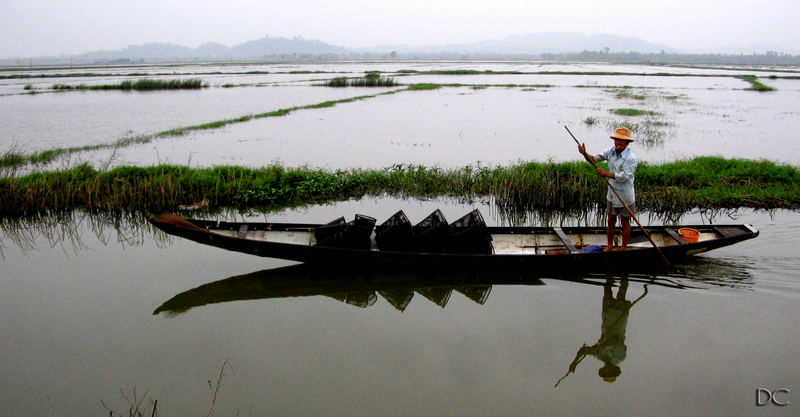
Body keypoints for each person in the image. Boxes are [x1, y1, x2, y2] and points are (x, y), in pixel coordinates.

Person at [578, 127, 638, 251]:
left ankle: (623, 247)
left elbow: (625, 176)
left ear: (627, 143)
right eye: (616, 140)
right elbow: (594, 159)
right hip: (612, 194)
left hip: (625, 196)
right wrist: (584, 153)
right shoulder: (610, 151)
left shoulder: (630, 157)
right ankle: (610, 245)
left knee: (625, 222)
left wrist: (607, 174)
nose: (618, 143)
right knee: (611, 220)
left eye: (621, 141)